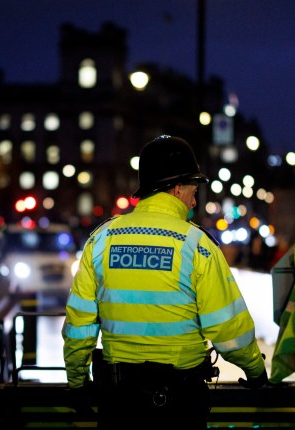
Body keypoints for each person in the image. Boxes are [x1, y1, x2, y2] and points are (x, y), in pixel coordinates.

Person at [62, 135, 268, 429]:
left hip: (119, 401)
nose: (195, 201)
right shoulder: (197, 245)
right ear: (175, 188)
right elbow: (226, 325)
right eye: (193, 191)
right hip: (180, 402)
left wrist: (77, 382)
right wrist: (255, 369)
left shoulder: (102, 239)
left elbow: (80, 320)